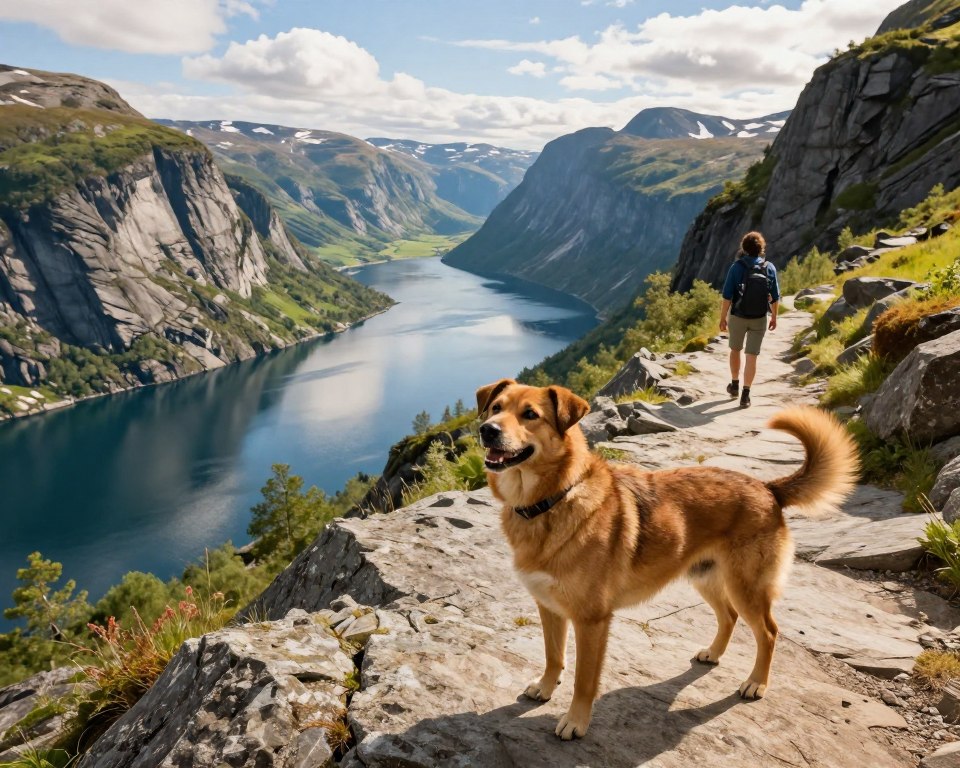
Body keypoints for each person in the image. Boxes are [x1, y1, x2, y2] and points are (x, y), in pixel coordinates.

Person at [718, 231, 780, 408]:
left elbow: (727, 296)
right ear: (761, 248)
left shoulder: (736, 267)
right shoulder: (769, 267)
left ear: (744, 248)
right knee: (752, 356)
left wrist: (723, 318)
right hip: (760, 317)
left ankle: (734, 384)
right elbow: (775, 297)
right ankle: (746, 394)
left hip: (738, 316)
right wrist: (774, 317)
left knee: (735, 350)